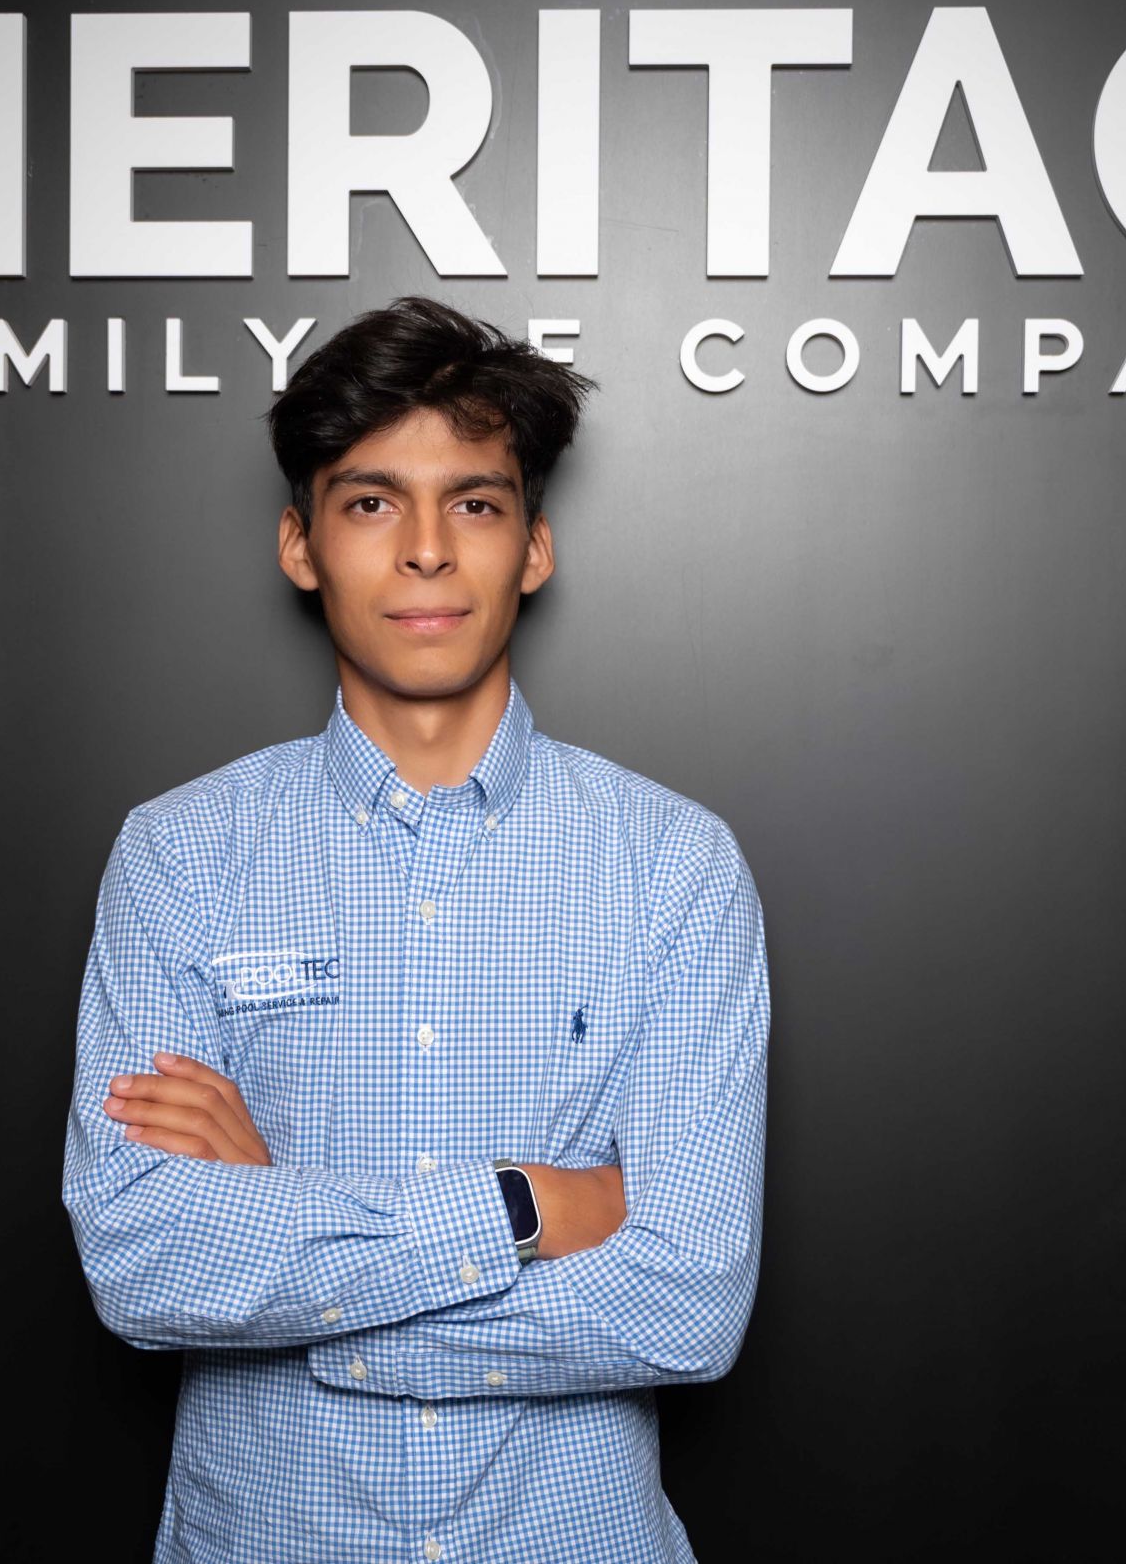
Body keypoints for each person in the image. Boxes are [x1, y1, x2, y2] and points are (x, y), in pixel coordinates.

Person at [61, 295, 771, 1564]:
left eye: (476, 504)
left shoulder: (673, 864)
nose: (428, 551)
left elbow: (686, 1297)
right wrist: (521, 1206)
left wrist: (281, 1228)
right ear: (301, 543)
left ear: (534, 547)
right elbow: (142, 1261)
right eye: (372, 502)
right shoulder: (179, 854)